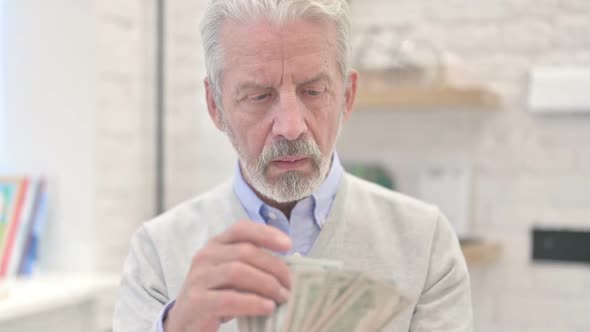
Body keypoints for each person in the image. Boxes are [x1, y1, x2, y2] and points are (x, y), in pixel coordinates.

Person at [113, 0, 473, 331]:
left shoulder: (425, 243)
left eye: (313, 92)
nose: (290, 126)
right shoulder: (157, 254)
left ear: (347, 95)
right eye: (259, 96)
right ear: (215, 105)